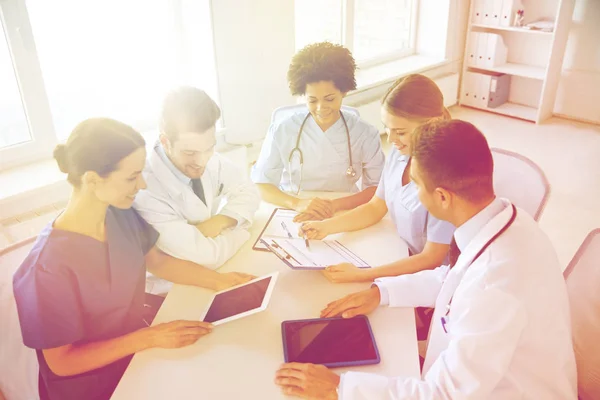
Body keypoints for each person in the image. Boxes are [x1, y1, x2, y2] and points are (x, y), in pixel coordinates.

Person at [275, 119, 577, 399]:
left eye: (416, 184)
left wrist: (341, 389)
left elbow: (444, 394)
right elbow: (454, 277)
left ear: (443, 197)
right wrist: (383, 292)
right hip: (486, 374)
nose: (413, 192)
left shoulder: (493, 286)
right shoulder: (506, 218)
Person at [13, 118, 253, 400]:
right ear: (91, 179)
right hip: (91, 384)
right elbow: (62, 362)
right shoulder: (46, 269)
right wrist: (150, 338)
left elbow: (159, 262)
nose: (142, 184)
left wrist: (221, 282)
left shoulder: (119, 214)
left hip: (139, 350)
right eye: (132, 177)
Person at [301, 75, 455, 284]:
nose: (390, 139)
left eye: (400, 131)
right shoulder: (400, 151)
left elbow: (432, 259)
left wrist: (364, 275)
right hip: (396, 249)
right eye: (387, 128)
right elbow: (376, 206)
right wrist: (327, 227)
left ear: (433, 123)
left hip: (430, 277)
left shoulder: (447, 178)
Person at [133, 87, 260, 293]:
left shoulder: (206, 156)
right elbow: (204, 257)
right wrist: (242, 229)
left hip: (219, 269)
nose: (201, 161)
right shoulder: (147, 189)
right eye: (190, 152)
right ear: (165, 141)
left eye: (209, 147)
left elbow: (249, 190)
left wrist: (222, 220)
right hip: (171, 290)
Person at [251, 42, 385, 222]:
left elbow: (377, 188)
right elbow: (261, 184)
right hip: (293, 208)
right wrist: (297, 203)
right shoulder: (284, 129)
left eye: (329, 99)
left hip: (345, 208)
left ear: (344, 91)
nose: (321, 108)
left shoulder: (365, 134)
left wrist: (334, 206)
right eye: (312, 100)